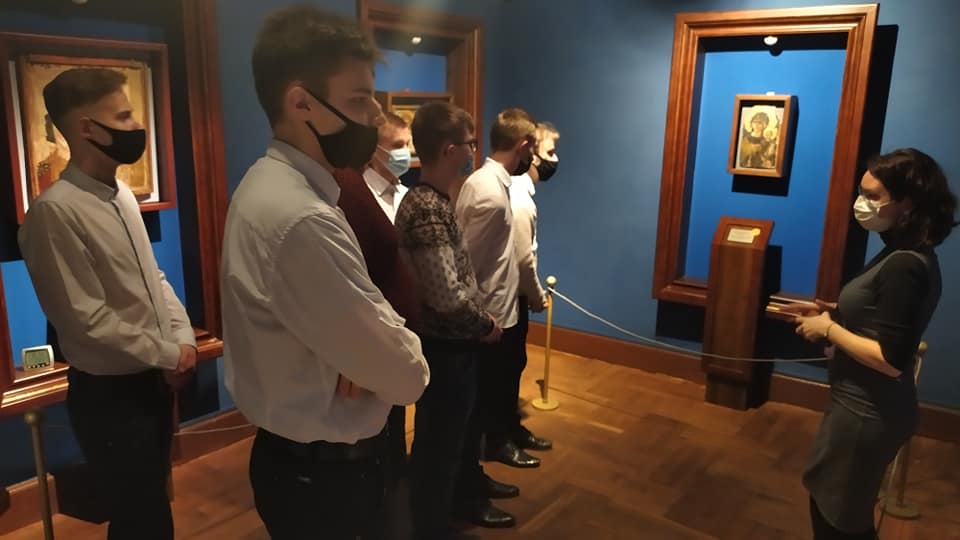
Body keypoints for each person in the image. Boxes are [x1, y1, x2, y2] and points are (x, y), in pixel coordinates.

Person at [220, 6, 430, 539]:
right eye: (358, 100)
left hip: (303, 464)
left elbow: (371, 347)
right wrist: (377, 347)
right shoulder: (301, 216)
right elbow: (407, 376)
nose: (375, 116)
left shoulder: (270, 184)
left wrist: (361, 348)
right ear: (300, 103)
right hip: (328, 479)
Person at [18, 67, 198, 540]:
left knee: (151, 508)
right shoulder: (54, 213)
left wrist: (182, 338)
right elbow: (87, 322)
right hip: (111, 397)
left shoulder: (121, 195)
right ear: (87, 128)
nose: (136, 126)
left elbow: (153, 279)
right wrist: (169, 353)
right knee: (140, 517)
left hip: (150, 380)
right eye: (123, 116)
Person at [788, 148, 957, 539]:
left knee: (840, 520)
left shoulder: (905, 264)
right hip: (860, 404)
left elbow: (889, 358)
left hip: (868, 412)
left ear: (907, 203)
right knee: (831, 503)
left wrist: (828, 329)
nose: (861, 203)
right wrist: (832, 311)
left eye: (872, 195)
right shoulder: (902, 251)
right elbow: (882, 316)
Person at [397, 101, 517, 537]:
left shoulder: (433, 200)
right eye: (469, 143)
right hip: (446, 345)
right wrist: (484, 324)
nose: (473, 151)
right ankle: (431, 526)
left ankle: (448, 508)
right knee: (439, 445)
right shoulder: (427, 207)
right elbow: (446, 296)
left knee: (450, 439)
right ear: (449, 149)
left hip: (450, 342)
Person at [455, 107, 541, 470]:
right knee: (492, 384)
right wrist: (480, 317)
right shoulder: (489, 192)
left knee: (503, 377)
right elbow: (467, 263)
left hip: (501, 305)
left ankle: (502, 435)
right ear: (523, 145)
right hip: (490, 310)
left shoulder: (496, 183)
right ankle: (493, 445)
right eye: (532, 148)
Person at [507, 121, 561, 454]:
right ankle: (501, 436)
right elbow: (522, 257)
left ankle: (508, 428)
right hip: (510, 298)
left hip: (515, 294)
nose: (555, 159)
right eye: (550, 151)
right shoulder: (520, 199)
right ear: (532, 154)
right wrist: (536, 294)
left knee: (513, 364)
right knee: (508, 366)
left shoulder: (520, 193)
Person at [365, 111, 412, 223]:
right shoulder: (361, 194)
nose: (406, 151)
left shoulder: (407, 194)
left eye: (407, 144)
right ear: (373, 149)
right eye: (398, 145)